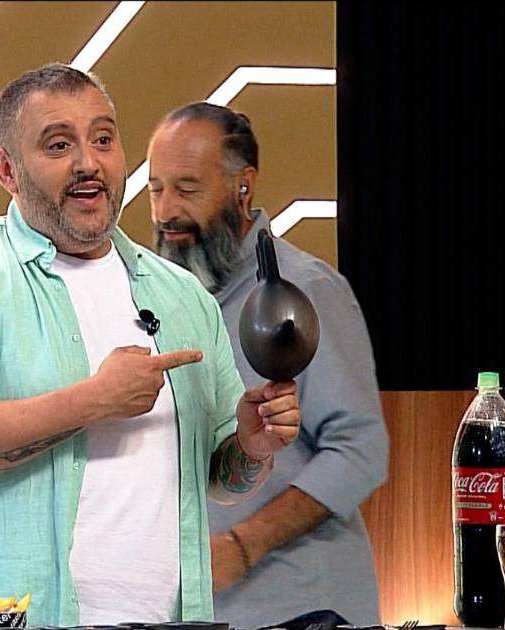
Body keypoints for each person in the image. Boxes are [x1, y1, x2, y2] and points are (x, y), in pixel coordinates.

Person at [0, 65, 302, 627]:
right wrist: (94, 401)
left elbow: (223, 480)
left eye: (103, 139)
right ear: (8, 170)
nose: (88, 163)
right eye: (58, 145)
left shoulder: (183, 297)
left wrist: (252, 445)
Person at [147, 102, 389, 627]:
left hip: (303, 610)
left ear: (244, 186)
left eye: (187, 189)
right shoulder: (157, 302)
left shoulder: (305, 292)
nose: (166, 211)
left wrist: (243, 545)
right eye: (155, 190)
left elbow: (360, 450)